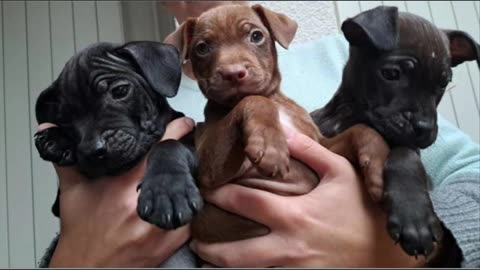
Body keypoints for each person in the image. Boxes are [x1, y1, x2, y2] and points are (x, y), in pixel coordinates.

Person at [44, 1, 480, 268]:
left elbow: (469, 176)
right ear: (182, 57)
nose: (232, 65)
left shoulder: (353, 60)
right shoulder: (157, 100)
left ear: (273, 38)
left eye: (253, 38)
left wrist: (403, 252)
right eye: (203, 51)